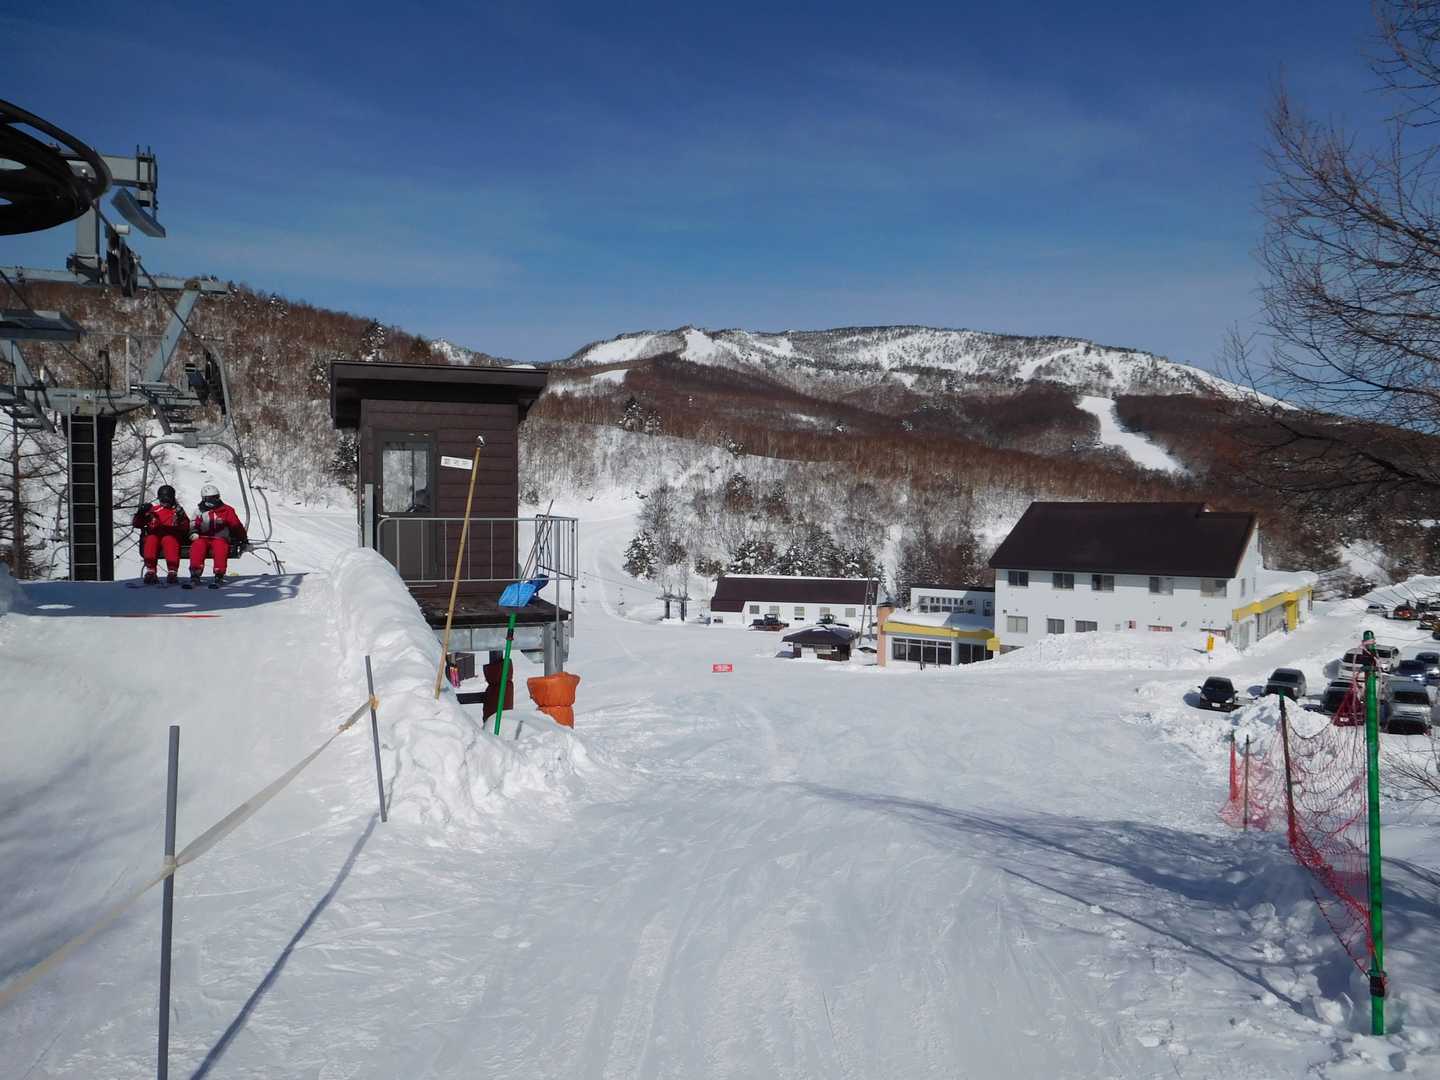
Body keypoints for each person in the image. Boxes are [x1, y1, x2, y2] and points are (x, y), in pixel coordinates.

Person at [187, 483, 247, 588]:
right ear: (204, 499)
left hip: (220, 538)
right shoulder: (199, 511)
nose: (213, 501)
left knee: (220, 546)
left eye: (215, 498)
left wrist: (243, 539)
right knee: (197, 545)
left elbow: (236, 525)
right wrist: (193, 532)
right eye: (210, 499)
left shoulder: (226, 510)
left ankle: (219, 574)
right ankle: (195, 573)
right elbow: (193, 523)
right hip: (204, 537)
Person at [131, 484, 189, 585]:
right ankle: (151, 571)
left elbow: (186, 527)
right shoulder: (153, 510)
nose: (164, 502)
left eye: (167, 499)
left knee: (169, 539)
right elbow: (137, 524)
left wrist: (181, 518)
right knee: (151, 539)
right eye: (162, 499)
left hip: (171, 536)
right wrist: (140, 513)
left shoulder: (177, 511)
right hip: (155, 535)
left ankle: (172, 571)